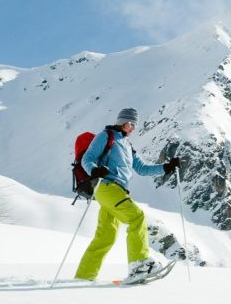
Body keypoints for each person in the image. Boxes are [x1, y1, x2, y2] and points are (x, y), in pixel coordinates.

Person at [74, 108, 181, 282]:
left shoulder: (128, 145)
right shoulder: (105, 136)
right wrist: (94, 170)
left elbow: (142, 168)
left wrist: (166, 167)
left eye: (135, 125)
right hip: (107, 187)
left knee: (106, 237)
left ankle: (84, 276)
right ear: (122, 121)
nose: (133, 128)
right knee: (137, 217)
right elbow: (88, 158)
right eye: (131, 124)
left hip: (117, 190)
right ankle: (139, 266)